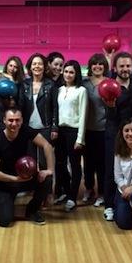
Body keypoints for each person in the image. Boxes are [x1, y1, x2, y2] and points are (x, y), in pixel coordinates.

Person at [102, 52, 132, 221]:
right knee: (111, 170)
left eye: (128, 66)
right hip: (114, 134)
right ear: (115, 68)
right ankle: (109, 205)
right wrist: (111, 107)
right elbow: (110, 116)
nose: (125, 69)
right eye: (121, 66)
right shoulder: (110, 85)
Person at [0, 109, 54, 227]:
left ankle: (32, 210)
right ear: (4, 121)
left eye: (17, 120)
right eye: (10, 120)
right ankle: (6, 201)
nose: (14, 124)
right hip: (5, 182)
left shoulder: (25, 130)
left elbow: (46, 145)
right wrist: (15, 179)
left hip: (25, 177)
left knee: (47, 179)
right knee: (5, 221)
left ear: (22, 120)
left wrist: (50, 169)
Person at [18, 53, 59, 202]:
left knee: (44, 162)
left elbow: (55, 107)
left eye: (40, 64)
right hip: (28, 128)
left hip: (45, 127)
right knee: (30, 161)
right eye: (34, 64)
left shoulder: (50, 85)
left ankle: (47, 192)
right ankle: (32, 189)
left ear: (44, 67)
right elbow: (20, 107)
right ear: (30, 67)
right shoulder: (24, 85)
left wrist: (54, 127)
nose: (37, 66)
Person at [56, 60, 88, 212]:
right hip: (60, 132)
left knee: (75, 166)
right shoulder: (59, 90)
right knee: (60, 164)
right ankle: (67, 192)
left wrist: (80, 138)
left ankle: (72, 198)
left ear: (76, 74)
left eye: (71, 72)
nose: (68, 74)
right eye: (66, 71)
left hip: (74, 131)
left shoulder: (81, 90)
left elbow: (83, 115)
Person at [81, 54, 108, 207]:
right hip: (86, 129)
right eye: (94, 64)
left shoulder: (109, 83)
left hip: (103, 128)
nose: (97, 66)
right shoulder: (84, 83)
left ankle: (102, 193)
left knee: (101, 163)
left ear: (105, 66)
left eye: (100, 64)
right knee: (88, 162)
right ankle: (89, 188)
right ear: (90, 66)